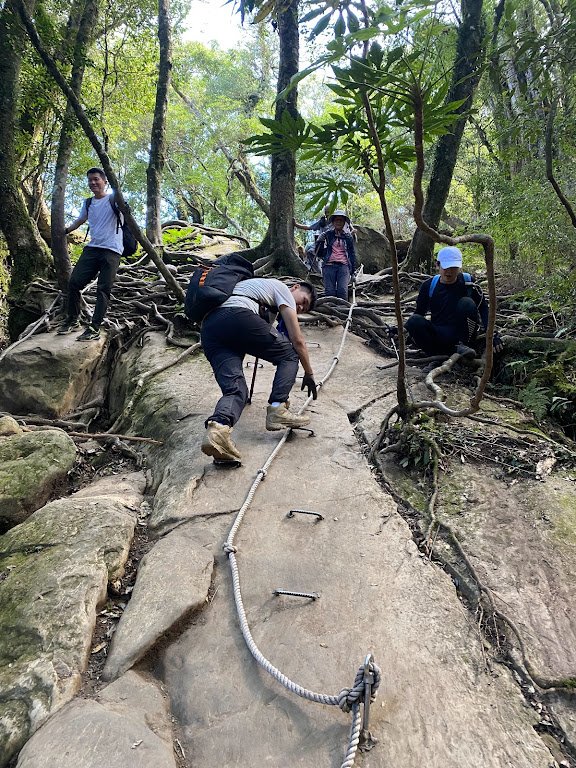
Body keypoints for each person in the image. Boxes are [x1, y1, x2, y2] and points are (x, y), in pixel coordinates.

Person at [200, 278, 318, 464]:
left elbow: (257, 337)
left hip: (210, 328)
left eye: (305, 309)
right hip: (237, 316)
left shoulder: (258, 292)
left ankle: (218, 432)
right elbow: (298, 341)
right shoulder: (281, 289)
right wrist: (309, 374)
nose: (301, 308)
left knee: (236, 390)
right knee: (290, 355)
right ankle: (277, 409)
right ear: (295, 288)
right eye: (303, 301)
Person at [57, 167, 124, 341]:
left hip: (112, 250)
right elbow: (80, 220)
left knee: (103, 289)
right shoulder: (88, 203)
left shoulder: (114, 200)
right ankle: (73, 319)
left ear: (105, 181)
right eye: (90, 180)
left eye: (96, 179)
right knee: (74, 283)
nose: (93, 183)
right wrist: (64, 230)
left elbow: (126, 213)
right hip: (93, 249)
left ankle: (94, 327)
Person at [405, 246, 503, 358]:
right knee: (414, 321)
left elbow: (484, 309)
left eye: (454, 267)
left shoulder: (469, 282)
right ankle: (437, 354)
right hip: (438, 334)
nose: (449, 271)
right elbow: (419, 313)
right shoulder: (428, 286)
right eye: (446, 267)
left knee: (466, 303)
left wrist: (492, 336)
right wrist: (403, 331)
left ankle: (462, 346)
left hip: (465, 336)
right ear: (438, 265)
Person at [315, 211, 356, 301]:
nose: (338, 222)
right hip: (328, 266)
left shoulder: (348, 237)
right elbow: (319, 253)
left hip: (344, 266)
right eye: (336, 220)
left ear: (344, 222)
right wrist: (319, 242)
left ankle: (343, 312)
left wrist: (353, 272)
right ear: (333, 222)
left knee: (342, 291)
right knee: (330, 292)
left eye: (341, 220)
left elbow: (352, 254)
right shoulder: (327, 235)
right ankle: (330, 313)